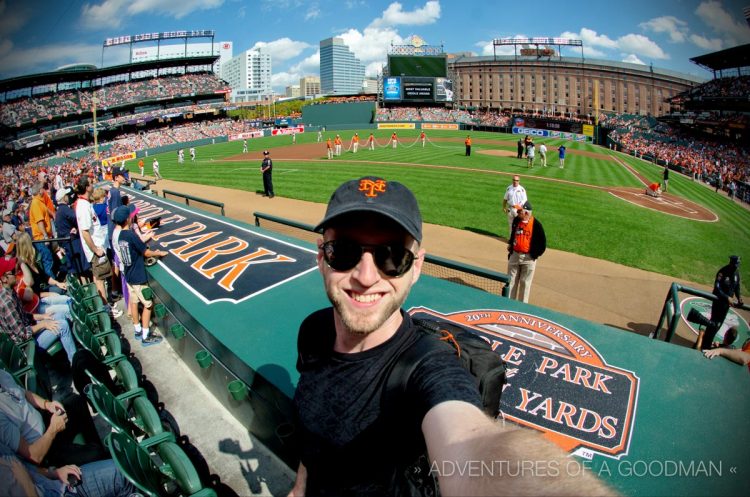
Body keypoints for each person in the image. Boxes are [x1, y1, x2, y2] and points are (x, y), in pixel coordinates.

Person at [289, 177, 612, 496]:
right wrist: (300, 488)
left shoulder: (427, 368)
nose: (366, 276)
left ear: (417, 267)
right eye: (343, 251)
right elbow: (314, 435)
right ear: (321, 256)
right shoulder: (313, 330)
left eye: (393, 257)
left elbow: (474, 445)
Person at [0, 368, 108, 469]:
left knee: (76, 401)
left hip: (46, 426)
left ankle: (95, 445)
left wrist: (47, 405)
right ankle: (99, 458)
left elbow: (24, 393)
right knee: (95, 453)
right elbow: (33, 456)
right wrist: (53, 429)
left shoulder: (1, 375)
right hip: (45, 452)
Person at [113, 205, 167, 346]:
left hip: (129, 275)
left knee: (134, 302)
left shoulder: (120, 235)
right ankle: (145, 335)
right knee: (148, 305)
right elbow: (146, 253)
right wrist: (158, 253)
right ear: (127, 219)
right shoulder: (130, 234)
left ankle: (137, 329)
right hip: (137, 276)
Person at [74, 177, 122, 318]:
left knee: (98, 278)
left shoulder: (84, 204)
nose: (92, 185)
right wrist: (95, 250)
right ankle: (107, 309)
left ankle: (106, 306)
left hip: (97, 245)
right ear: (87, 188)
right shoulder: (83, 206)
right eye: (90, 183)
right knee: (100, 280)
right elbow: (84, 232)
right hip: (95, 249)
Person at [697, 255, 743, 350]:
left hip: (726, 306)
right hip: (719, 303)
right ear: (731, 263)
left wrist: (739, 298)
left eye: (737, 265)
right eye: (735, 265)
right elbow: (717, 288)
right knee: (713, 324)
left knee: (718, 325)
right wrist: (727, 297)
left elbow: (737, 287)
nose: (736, 267)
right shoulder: (723, 272)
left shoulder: (736, 274)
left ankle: (706, 344)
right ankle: (705, 345)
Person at [507, 200, 546, 303]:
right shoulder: (516, 220)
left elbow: (542, 245)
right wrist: (511, 246)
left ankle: (522, 309)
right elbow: (513, 235)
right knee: (511, 281)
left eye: (520, 211)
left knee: (525, 284)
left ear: (527, 213)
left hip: (528, 258)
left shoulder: (537, 225)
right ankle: (508, 304)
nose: (518, 212)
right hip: (515, 256)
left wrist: (533, 255)